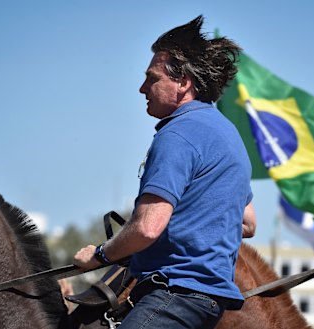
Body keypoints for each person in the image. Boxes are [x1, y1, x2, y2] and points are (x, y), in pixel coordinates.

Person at [73, 15, 256, 329]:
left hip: (174, 295)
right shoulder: (227, 135)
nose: (142, 87)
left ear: (183, 83)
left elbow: (146, 228)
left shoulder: (178, 134)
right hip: (208, 301)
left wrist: (101, 255)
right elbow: (248, 222)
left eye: (152, 79)